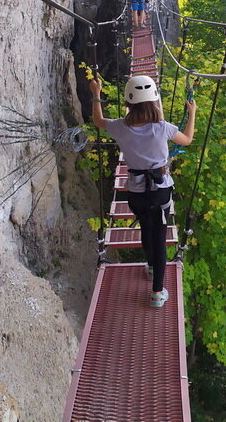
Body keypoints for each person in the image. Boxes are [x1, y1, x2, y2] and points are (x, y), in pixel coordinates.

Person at [90, 75, 196, 307]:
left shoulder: (120, 127)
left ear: (128, 103)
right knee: (159, 238)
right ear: (155, 100)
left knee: (146, 230)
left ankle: (150, 267)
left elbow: (98, 120)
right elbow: (187, 139)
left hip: (135, 193)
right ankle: (157, 291)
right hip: (159, 192)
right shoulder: (163, 128)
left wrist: (96, 93)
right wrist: (192, 112)